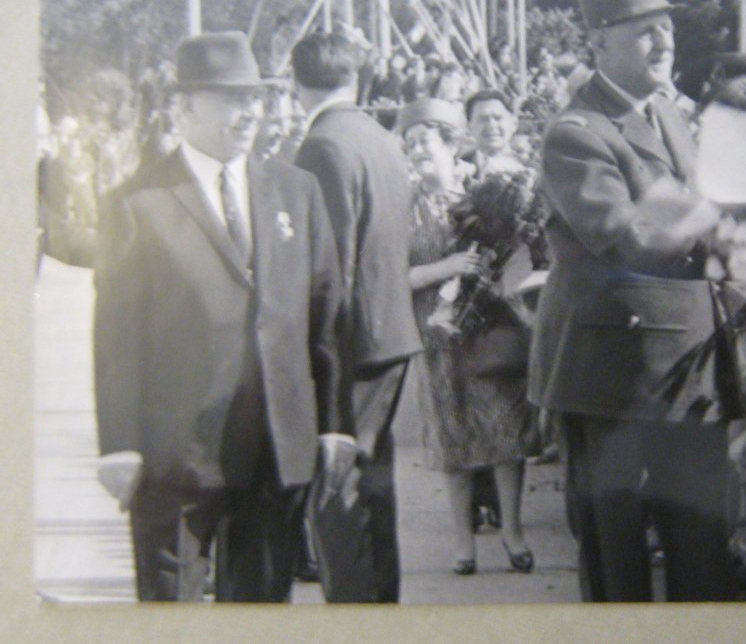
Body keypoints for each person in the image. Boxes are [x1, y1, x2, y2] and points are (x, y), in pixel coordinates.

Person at [92, 31, 355, 601]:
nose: (250, 114)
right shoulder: (136, 203)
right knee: (171, 616)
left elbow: (325, 320)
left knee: (261, 612)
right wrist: (118, 443)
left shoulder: (297, 192)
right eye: (233, 99)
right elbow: (115, 339)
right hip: (174, 458)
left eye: (256, 100)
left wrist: (335, 424)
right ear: (184, 107)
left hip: (273, 452)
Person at [530, 0, 737, 602]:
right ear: (600, 45)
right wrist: (723, 217)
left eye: (668, 31)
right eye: (645, 32)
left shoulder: (671, 114)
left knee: (703, 548)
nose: (663, 43)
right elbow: (626, 235)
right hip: (614, 375)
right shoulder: (576, 132)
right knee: (617, 560)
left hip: (689, 367)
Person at [291, 32, 425, 602]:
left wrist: (316, 357)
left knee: (339, 501)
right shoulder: (377, 136)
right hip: (387, 335)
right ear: (357, 79)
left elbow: (331, 267)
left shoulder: (322, 145)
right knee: (373, 493)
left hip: (349, 346)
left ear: (295, 84)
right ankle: (379, 610)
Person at [400, 98, 537, 576]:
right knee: (452, 437)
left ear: (451, 143)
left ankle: (513, 531)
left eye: (426, 140)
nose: (417, 149)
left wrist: (499, 282)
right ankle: (463, 543)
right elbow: (393, 276)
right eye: (410, 141)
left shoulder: (484, 195)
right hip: (436, 337)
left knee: (504, 429)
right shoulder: (405, 205)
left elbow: (518, 256)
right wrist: (447, 268)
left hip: (489, 328)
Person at [464, 88, 525, 179]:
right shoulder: (454, 166)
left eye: (498, 118)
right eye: (483, 119)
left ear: (514, 124)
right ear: (469, 127)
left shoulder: (532, 168)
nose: (491, 125)